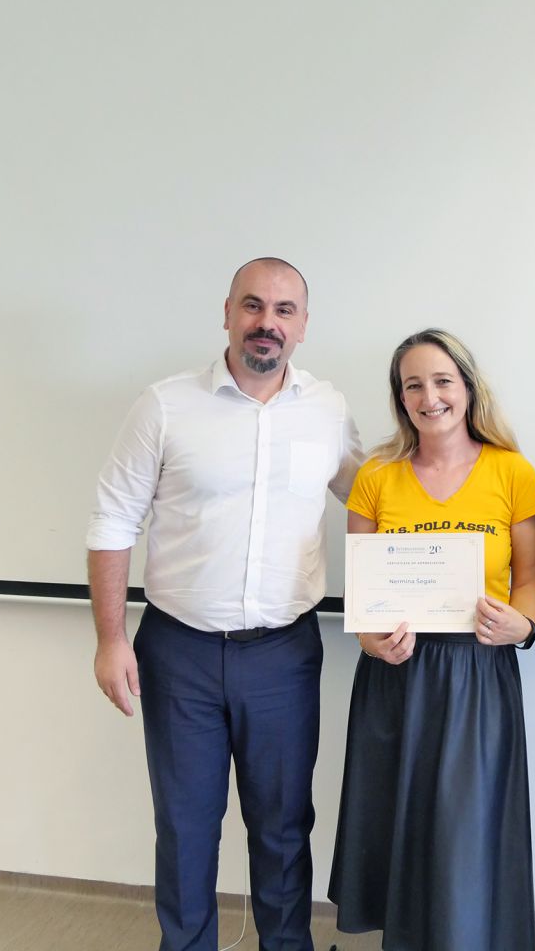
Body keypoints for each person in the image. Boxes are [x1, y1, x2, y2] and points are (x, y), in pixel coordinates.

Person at [86, 257, 363, 951]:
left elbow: (375, 503)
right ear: (228, 313)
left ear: (303, 325)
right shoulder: (164, 406)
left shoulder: (328, 410)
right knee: (185, 826)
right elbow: (113, 521)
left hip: (284, 655)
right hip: (179, 652)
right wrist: (110, 640)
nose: (267, 322)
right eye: (253, 305)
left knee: (282, 826)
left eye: (284, 310)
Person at [328, 329, 535, 951]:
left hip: (478, 676)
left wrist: (524, 626)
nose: (430, 397)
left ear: (468, 387)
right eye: (414, 385)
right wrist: (371, 639)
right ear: (400, 398)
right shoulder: (376, 476)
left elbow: (529, 583)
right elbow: (363, 594)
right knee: (401, 826)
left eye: (443, 380)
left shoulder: (512, 471)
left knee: (465, 838)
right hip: (396, 676)